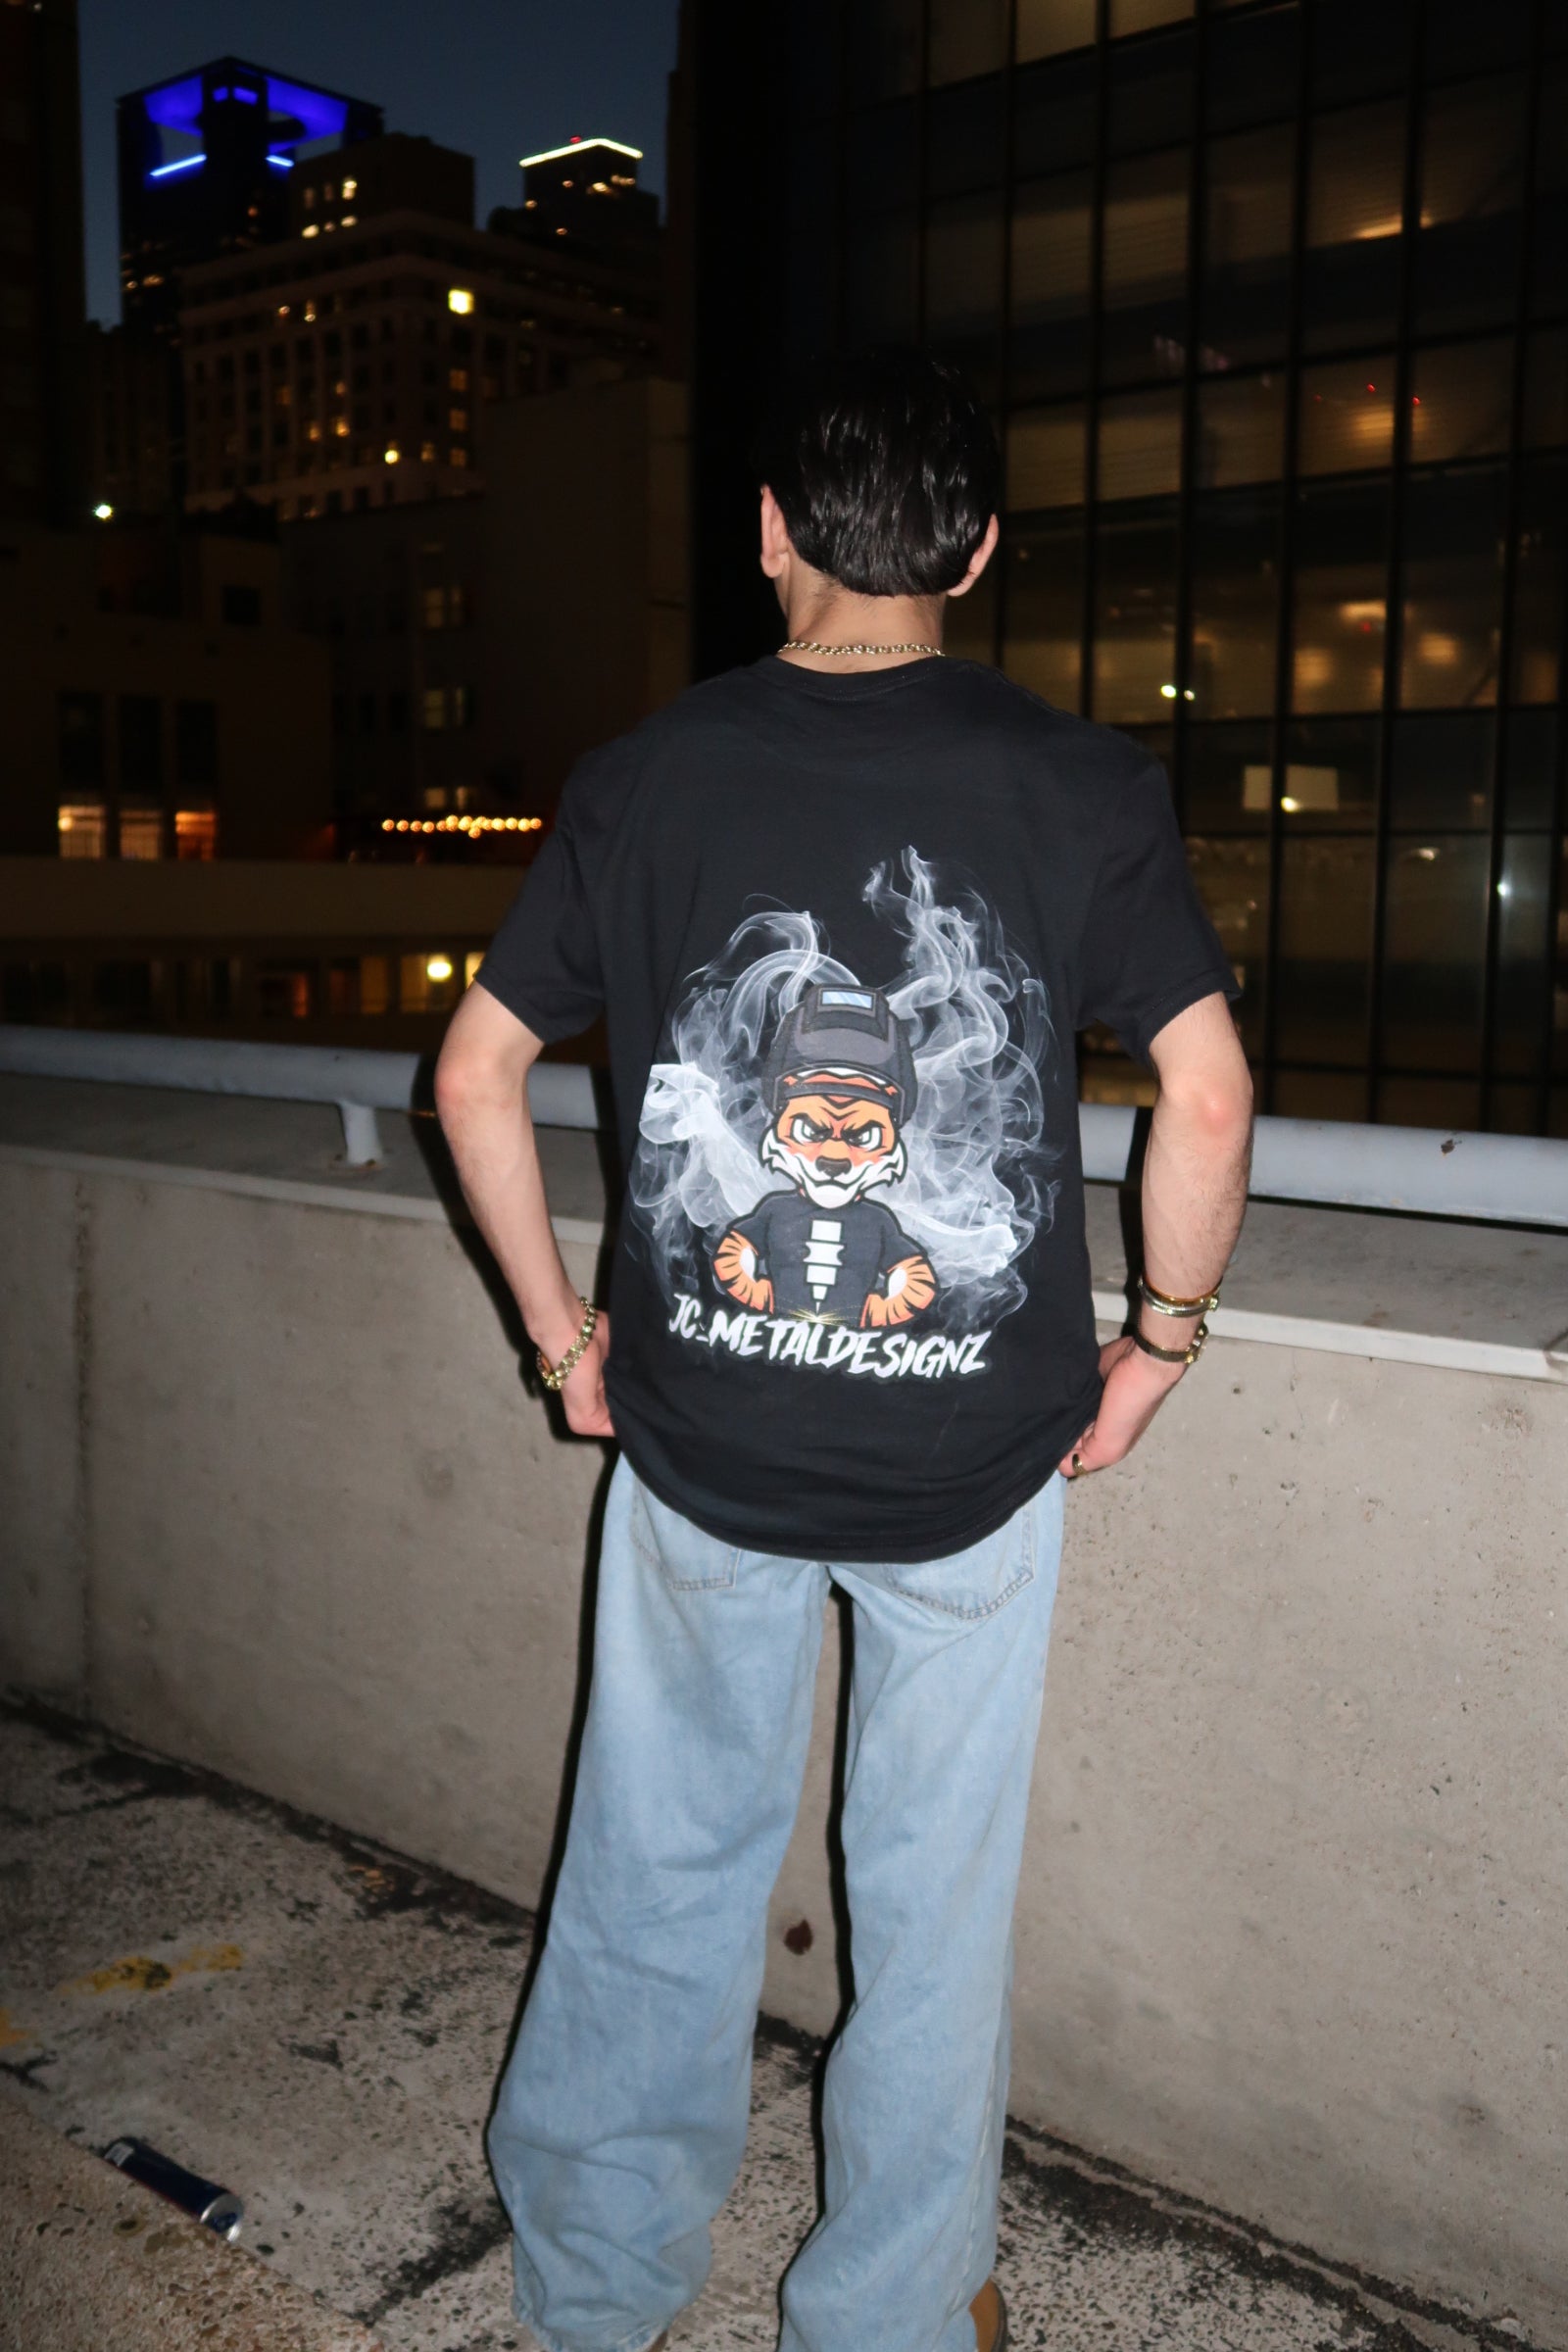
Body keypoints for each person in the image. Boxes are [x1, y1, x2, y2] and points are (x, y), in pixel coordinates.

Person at [434, 348, 1253, 2352]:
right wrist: (1157, 1344)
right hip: (970, 1469)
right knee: (931, 1906)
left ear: (770, 535)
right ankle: (887, 2314)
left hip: (696, 1444)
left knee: (653, 1869)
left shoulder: (641, 775)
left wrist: (565, 1343)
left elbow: (471, 1075)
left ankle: (596, 2290)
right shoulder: (1083, 784)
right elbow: (1210, 1097)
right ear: (974, 551)